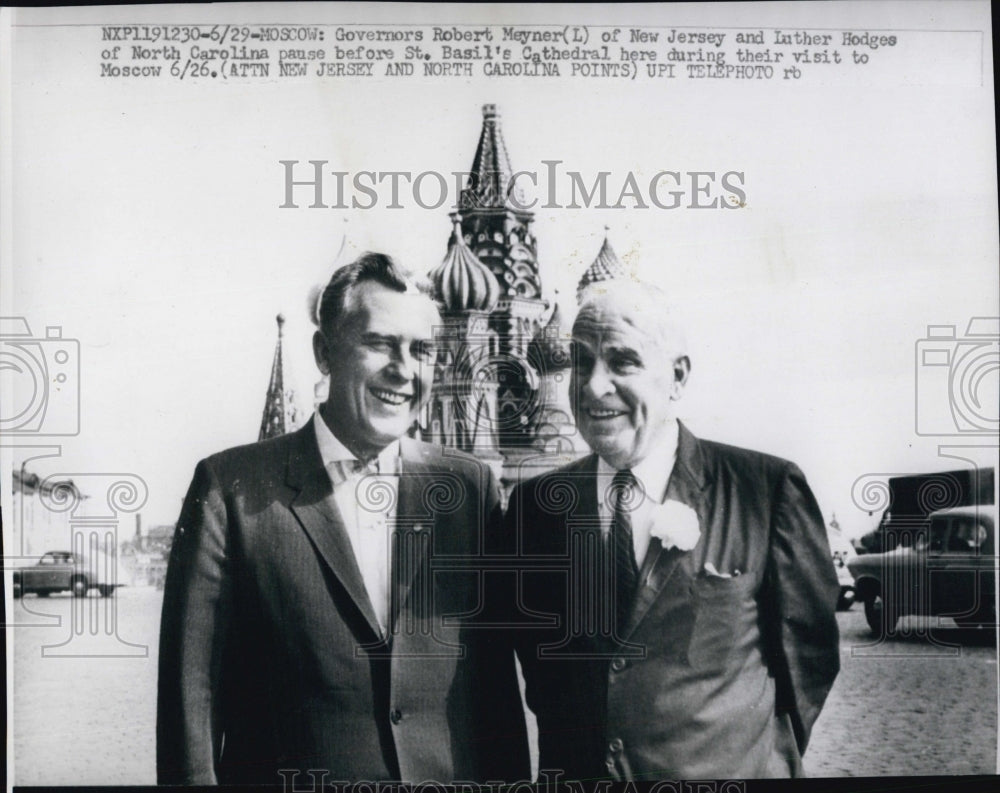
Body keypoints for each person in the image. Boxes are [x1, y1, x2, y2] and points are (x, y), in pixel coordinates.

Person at [157, 253, 528, 785]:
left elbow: (497, 701)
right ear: (324, 352)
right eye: (379, 344)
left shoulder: (470, 490)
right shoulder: (230, 489)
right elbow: (190, 706)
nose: (404, 370)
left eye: (421, 350)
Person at [509, 280, 840, 780]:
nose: (595, 385)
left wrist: (749, 759)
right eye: (581, 362)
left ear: (678, 376)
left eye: (622, 361)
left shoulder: (764, 492)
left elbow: (809, 660)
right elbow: (542, 673)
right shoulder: (536, 509)